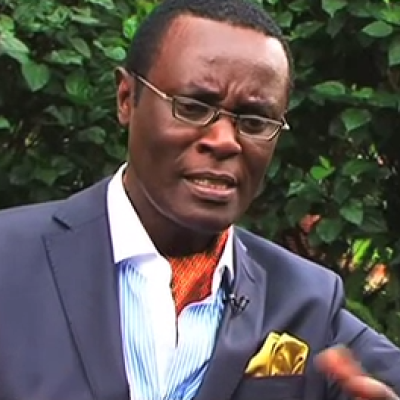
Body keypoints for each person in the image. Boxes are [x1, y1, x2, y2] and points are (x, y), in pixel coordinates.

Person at [0, 0, 399, 399]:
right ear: (126, 97)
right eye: (192, 107)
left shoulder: (303, 302)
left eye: (254, 121)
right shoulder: (11, 258)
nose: (224, 141)